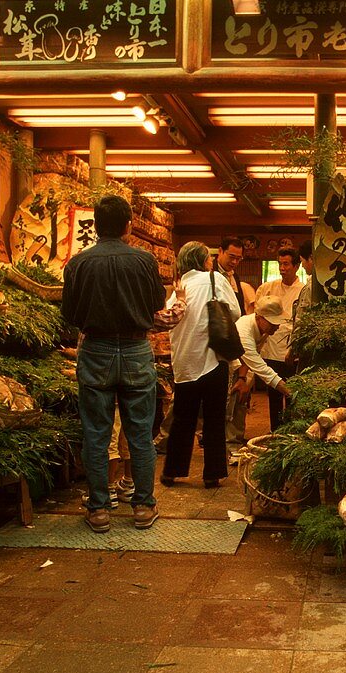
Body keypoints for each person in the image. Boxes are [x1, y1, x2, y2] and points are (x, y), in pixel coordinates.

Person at [62, 195, 177, 533]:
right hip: (135, 350)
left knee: (97, 435)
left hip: (95, 350)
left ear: (96, 225)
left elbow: (69, 315)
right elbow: (156, 304)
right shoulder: (144, 261)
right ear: (129, 225)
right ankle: (143, 507)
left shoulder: (78, 264)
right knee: (140, 434)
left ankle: (98, 509)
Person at [160, 242, 240, 489]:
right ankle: (212, 474)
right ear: (204, 261)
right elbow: (234, 313)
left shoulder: (178, 288)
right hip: (213, 359)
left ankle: (172, 471)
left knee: (183, 417)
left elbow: (170, 318)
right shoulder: (215, 279)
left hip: (185, 361)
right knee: (215, 418)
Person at [215, 236, 256, 463]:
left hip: (233, 341)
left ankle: (231, 442)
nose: (234, 262)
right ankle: (165, 439)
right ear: (219, 251)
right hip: (214, 343)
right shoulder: (209, 274)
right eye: (231, 257)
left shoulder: (236, 278)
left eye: (239, 259)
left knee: (238, 393)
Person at [255, 245, 303, 429]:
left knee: (292, 395)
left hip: (292, 349)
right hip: (271, 348)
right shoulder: (268, 287)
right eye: (280, 264)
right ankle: (274, 430)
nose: (283, 268)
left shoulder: (303, 289)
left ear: (297, 265)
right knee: (274, 395)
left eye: (287, 264)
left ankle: (291, 430)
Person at [230, 295, 291, 420]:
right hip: (226, 367)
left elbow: (250, 356)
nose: (277, 326)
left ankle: (235, 438)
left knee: (240, 403)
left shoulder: (263, 329)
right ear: (259, 317)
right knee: (228, 409)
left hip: (242, 366)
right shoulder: (244, 332)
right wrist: (290, 391)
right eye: (273, 323)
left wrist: (243, 378)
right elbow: (262, 369)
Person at [286, 239, 316, 371]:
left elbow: (302, 320)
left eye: (303, 261)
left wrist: (293, 349)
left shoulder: (311, 286)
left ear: (310, 258)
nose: (303, 266)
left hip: (310, 349)